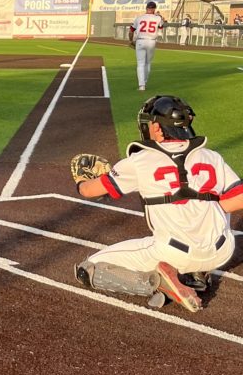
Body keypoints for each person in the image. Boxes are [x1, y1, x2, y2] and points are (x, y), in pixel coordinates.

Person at [73, 95, 243, 312]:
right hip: (221, 252)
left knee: (88, 270)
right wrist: (204, 210)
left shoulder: (140, 161)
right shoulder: (211, 156)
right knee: (212, 206)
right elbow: (239, 198)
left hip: (172, 252)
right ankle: (194, 274)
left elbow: (90, 191)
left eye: (151, 123)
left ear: (159, 129)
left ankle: (160, 284)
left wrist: (81, 181)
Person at [127, 1, 163, 91]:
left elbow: (131, 30)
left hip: (140, 41)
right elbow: (161, 26)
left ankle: (141, 85)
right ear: (154, 9)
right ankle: (145, 81)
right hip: (151, 41)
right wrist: (160, 17)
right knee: (148, 63)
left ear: (146, 8)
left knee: (140, 64)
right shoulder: (158, 18)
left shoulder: (139, 18)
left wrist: (131, 40)